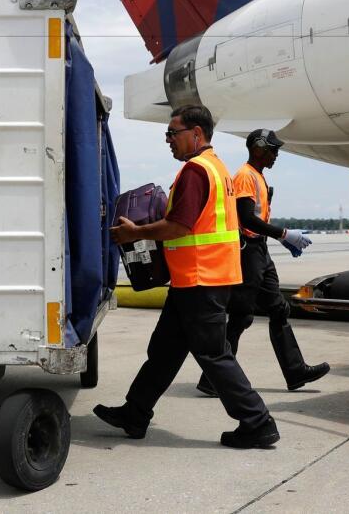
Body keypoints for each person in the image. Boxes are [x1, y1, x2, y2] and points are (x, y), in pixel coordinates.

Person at [96, 105, 279, 449]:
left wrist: (135, 233)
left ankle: (258, 422)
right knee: (164, 351)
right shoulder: (217, 168)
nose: (168, 140)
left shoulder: (196, 171)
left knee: (213, 355)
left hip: (202, 280)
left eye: (172, 133)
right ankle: (134, 414)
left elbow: (180, 226)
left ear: (196, 133)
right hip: (194, 280)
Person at [196, 128, 329, 397]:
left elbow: (258, 219)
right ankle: (212, 379)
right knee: (241, 315)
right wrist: (283, 233)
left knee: (279, 309)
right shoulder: (246, 176)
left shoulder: (257, 176)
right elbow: (246, 218)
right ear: (257, 148)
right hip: (249, 252)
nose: (276, 154)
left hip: (260, 251)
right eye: (273, 149)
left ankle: (295, 372)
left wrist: (280, 240)